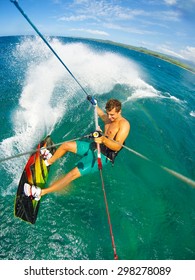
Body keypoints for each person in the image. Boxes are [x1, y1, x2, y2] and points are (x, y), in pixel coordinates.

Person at [24, 98, 130, 201]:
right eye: (108, 114)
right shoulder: (108, 117)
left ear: (119, 111)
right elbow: (101, 114)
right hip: (94, 147)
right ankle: (49, 161)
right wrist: (94, 104)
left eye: (112, 115)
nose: (109, 117)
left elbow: (117, 147)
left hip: (102, 157)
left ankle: (40, 193)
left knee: (72, 174)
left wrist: (103, 140)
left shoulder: (124, 125)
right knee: (66, 145)